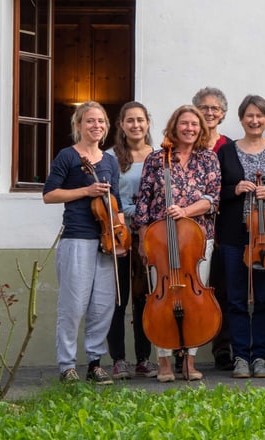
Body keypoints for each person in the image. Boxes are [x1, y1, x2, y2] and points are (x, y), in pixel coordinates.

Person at [134, 104, 221, 382]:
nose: (189, 129)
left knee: (196, 300)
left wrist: (185, 211)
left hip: (196, 241)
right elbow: (144, 201)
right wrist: (142, 239)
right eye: (184, 123)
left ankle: (190, 362)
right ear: (174, 126)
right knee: (162, 300)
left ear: (201, 128)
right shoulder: (156, 159)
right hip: (160, 242)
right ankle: (164, 362)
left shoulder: (208, 159)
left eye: (194, 124)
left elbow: (212, 200)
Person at [43, 101, 121, 384]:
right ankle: (67, 365)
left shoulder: (110, 161)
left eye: (101, 121)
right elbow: (49, 194)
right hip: (77, 238)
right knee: (72, 306)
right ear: (78, 125)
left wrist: (120, 230)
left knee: (102, 306)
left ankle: (95, 363)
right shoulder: (67, 156)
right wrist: (86, 190)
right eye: (90, 121)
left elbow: (116, 201)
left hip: (106, 242)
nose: (96, 126)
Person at [216, 95, 265, 379]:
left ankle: (260, 357)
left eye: (260, 116)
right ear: (242, 119)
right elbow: (214, 190)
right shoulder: (226, 152)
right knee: (236, 298)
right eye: (249, 116)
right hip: (234, 234)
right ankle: (241, 355)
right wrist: (234, 189)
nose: (255, 121)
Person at [105, 101, 158, 380]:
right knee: (119, 298)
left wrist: (147, 214)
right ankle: (118, 359)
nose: (136, 125)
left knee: (146, 297)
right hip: (121, 237)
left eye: (140, 120)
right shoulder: (110, 157)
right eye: (130, 121)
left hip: (152, 238)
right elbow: (111, 200)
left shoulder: (159, 156)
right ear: (121, 125)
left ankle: (144, 358)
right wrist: (139, 212)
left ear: (147, 123)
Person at [192, 87, 234, 371]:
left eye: (215, 109)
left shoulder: (229, 147)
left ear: (223, 114)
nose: (209, 113)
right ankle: (185, 348)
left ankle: (222, 348)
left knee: (223, 292)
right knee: (192, 291)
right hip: (191, 232)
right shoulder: (184, 143)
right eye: (204, 108)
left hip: (223, 231)